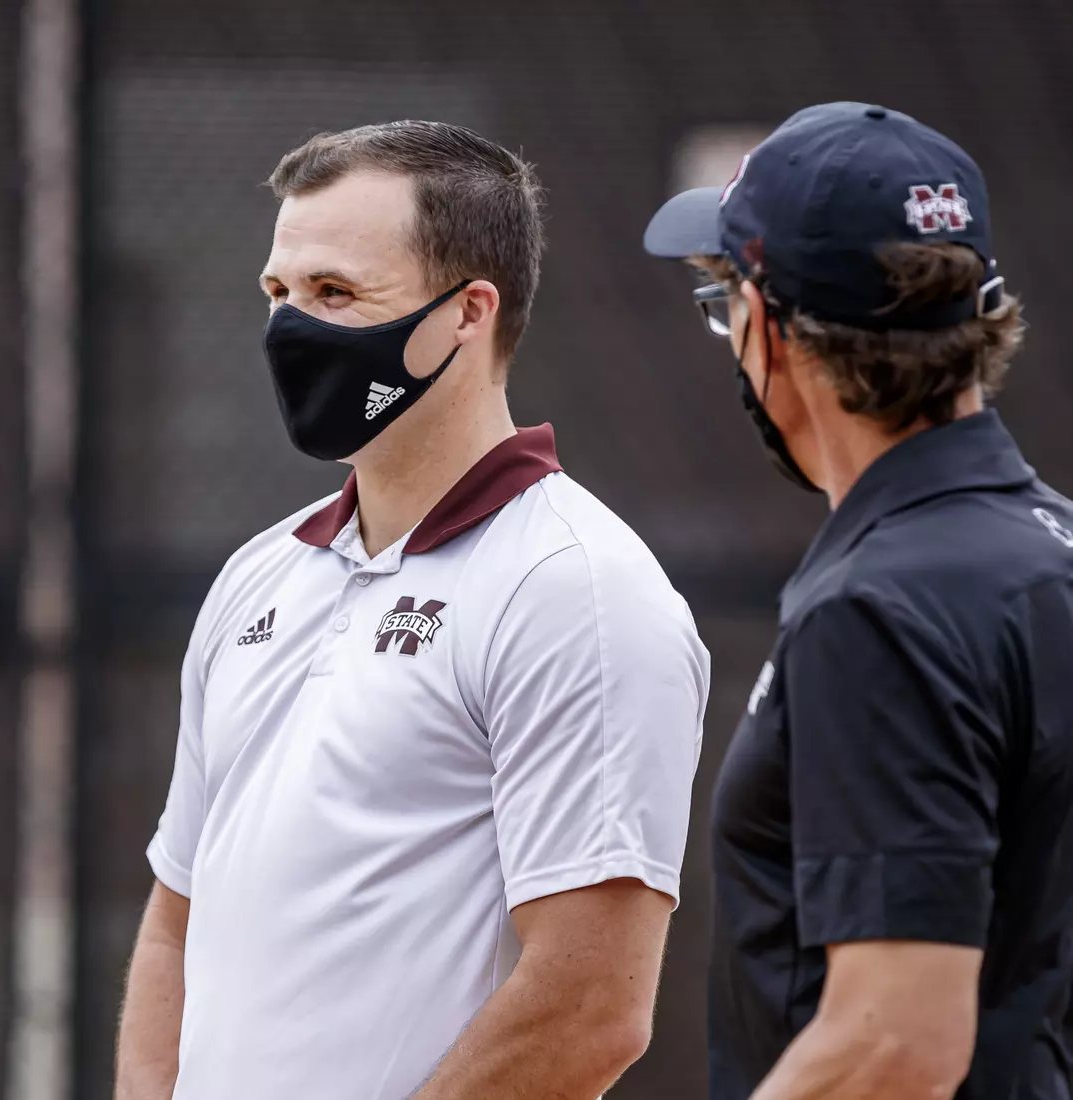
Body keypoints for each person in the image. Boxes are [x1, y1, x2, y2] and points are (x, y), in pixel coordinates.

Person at [115, 120, 710, 1100]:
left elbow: (592, 1003)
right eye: (280, 293)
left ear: (470, 312)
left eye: (336, 293)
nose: (291, 328)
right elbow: (178, 917)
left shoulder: (578, 586)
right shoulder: (258, 576)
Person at [644, 102, 1073, 1100]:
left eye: (726, 305)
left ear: (768, 329)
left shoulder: (879, 608)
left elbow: (895, 1041)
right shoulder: (1050, 547)